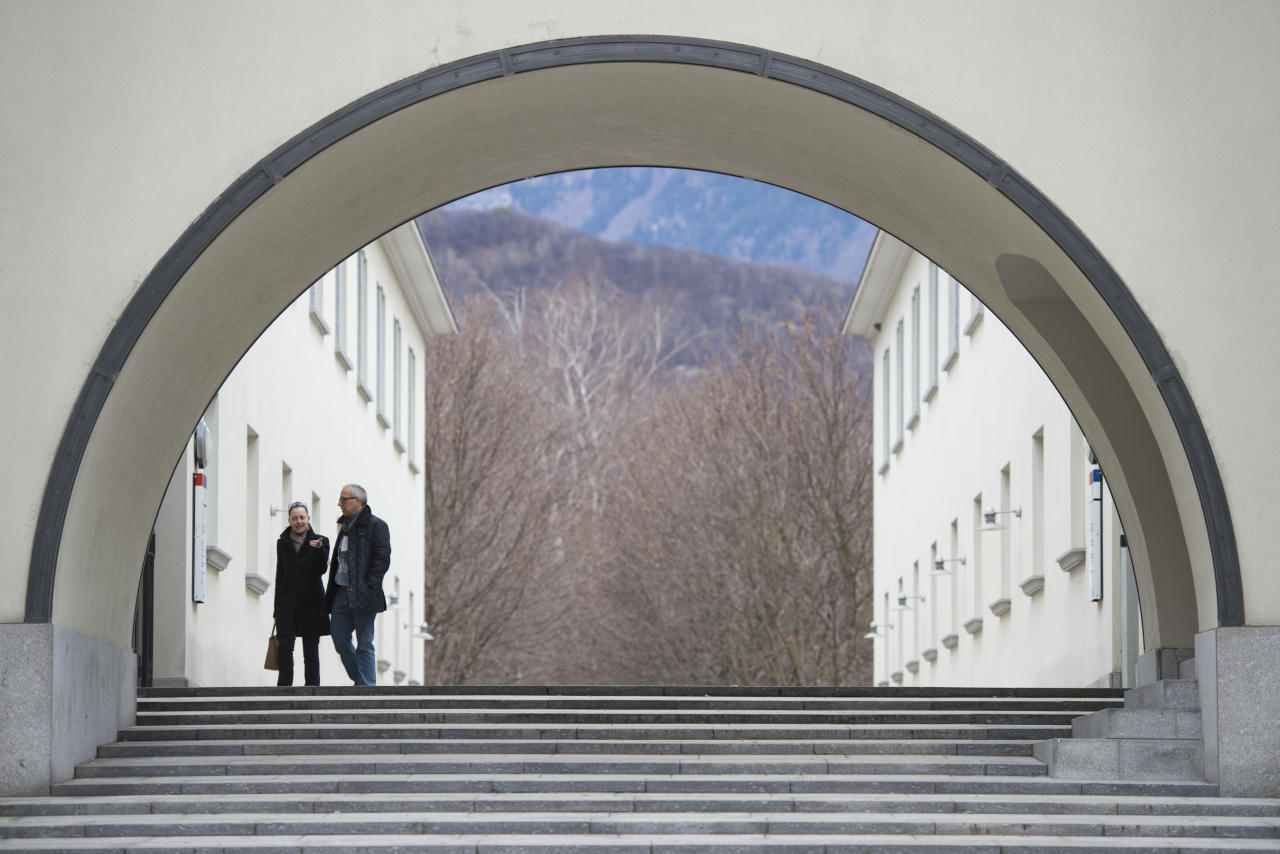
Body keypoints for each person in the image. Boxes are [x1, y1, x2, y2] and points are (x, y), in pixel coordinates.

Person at [324, 483, 391, 686]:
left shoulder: (377, 525)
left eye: (343, 499)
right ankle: (362, 682)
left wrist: (369, 585)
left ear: (357, 501)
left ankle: (367, 688)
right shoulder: (345, 527)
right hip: (340, 594)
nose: (339, 503)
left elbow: (382, 559)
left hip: (364, 593)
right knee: (340, 640)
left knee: (364, 643)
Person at [273, 502, 330, 687]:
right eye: (295, 518)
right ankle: (284, 690)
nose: (299, 521)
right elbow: (280, 576)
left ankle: (312, 690)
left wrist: (319, 550)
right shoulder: (282, 543)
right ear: (289, 520)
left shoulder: (321, 541)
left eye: (302, 517)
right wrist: (276, 610)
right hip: (287, 604)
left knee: (311, 652)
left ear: (308, 519)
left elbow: (321, 570)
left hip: (312, 604)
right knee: (284, 648)